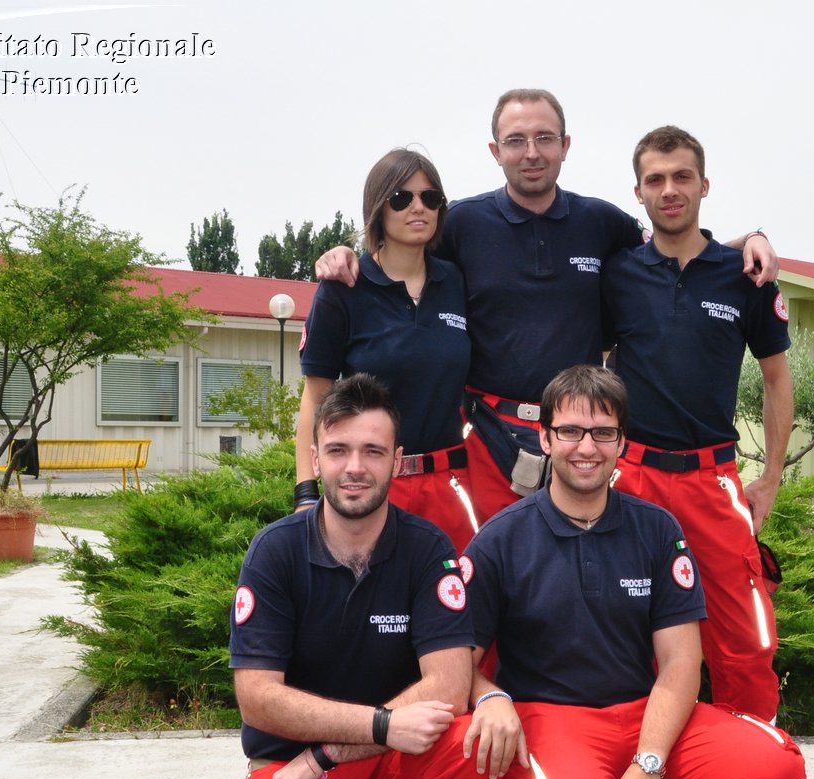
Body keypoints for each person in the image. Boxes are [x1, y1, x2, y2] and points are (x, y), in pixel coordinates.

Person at [317, 89, 779, 523]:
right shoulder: (459, 222)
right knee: (483, 573)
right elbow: (399, 253)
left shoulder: (600, 221)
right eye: (515, 140)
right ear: (496, 152)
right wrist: (346, 255)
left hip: (577, 441)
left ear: (565, 145)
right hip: (485, 443)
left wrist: (748, 240)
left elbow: (673, 245)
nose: (531, 152)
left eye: (544, 138)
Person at [460, 365, 807, 779]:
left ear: (623, 443)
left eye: (602, 433)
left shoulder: (656, 529)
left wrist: (649, 764)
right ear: (544, 438)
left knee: (776, 777)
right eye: (570, 432)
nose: (586, 447)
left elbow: (679, 665)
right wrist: (490, 696)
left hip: (648, 714)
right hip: (553, 721)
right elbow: (457, 662)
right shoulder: (501, 537)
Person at [228, 374, 515, 779]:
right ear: (315, 457)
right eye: (338, 450)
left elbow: (448, 681)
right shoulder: (274, 553)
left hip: (372, 759)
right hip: (292, 773)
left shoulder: (427, 548)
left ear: (399, 462)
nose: (354, 467)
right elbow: (256, 697)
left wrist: (329, 751)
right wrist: (373, 727)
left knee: (476, 742)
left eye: (373, 451)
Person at [602, 125, 804, 779]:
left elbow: (778, 380)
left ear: (704, 185)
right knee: (629, 640)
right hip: (636, 481)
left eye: (682, 176)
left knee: (745, 640)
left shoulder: (743, 274)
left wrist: (770, 477)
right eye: (655, 180)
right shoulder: (616, 272)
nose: (669, 190)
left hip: (715, 479)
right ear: (639, 192)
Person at [294, 149, 477, 552]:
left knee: (452, 605)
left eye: (430, 198)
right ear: (378, 207)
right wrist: (306, 491)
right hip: (372, 486)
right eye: (401, 198)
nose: (418, 207)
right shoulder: (343, 289)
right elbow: (316, 396)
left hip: (449, 485)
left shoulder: (457, 283)